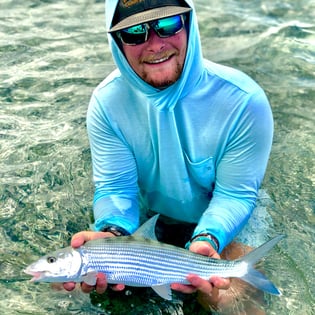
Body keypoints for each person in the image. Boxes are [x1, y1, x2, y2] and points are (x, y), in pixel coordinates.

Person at [63, 0, 273, 313]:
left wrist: (208, 238)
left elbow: (235, 194)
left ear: (189, 24)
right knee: (90, 294)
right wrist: (112, 236)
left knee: (230, 301)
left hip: (228, 225)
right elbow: (116, 189)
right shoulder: (107, 104)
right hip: (149, 224)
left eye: (168, 24)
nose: (155, 44)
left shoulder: (244, 102)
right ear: (117, 42)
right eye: (134, 32)